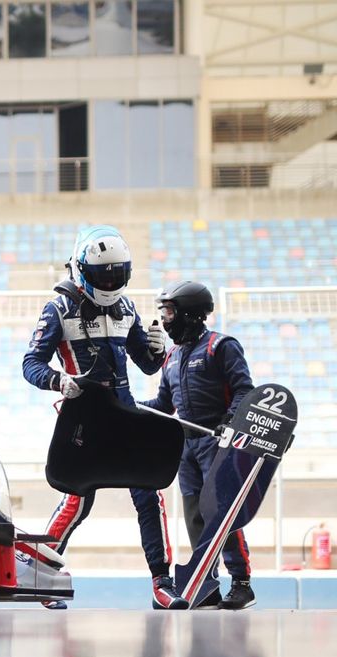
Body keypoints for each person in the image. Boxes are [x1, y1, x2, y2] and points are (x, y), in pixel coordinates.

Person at [22, 225, 186, 609]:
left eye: (117, 272)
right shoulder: (58, 309)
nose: (111, 280)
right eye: (103, 273)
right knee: (77, 500)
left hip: (125, 413)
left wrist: (158, 351)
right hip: (84, 417)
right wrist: (57, 381)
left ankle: (162, 583)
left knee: (149, 495)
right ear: (82, 269)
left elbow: (146, 366)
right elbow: (30, 363)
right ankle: (41, 577)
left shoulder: (128, 308)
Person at [140, 280, 256, 609]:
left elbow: (245, 390)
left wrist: (228, 424)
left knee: (223, 514)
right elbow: (163, 404)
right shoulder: (173, 357)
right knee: (195, 517)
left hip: (216, 443)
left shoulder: (221, 346)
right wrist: (126, 405)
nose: (164, 318)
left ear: (190, 314)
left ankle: (242, 583)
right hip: (185, 447)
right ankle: (207, 583)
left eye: (170, 311)